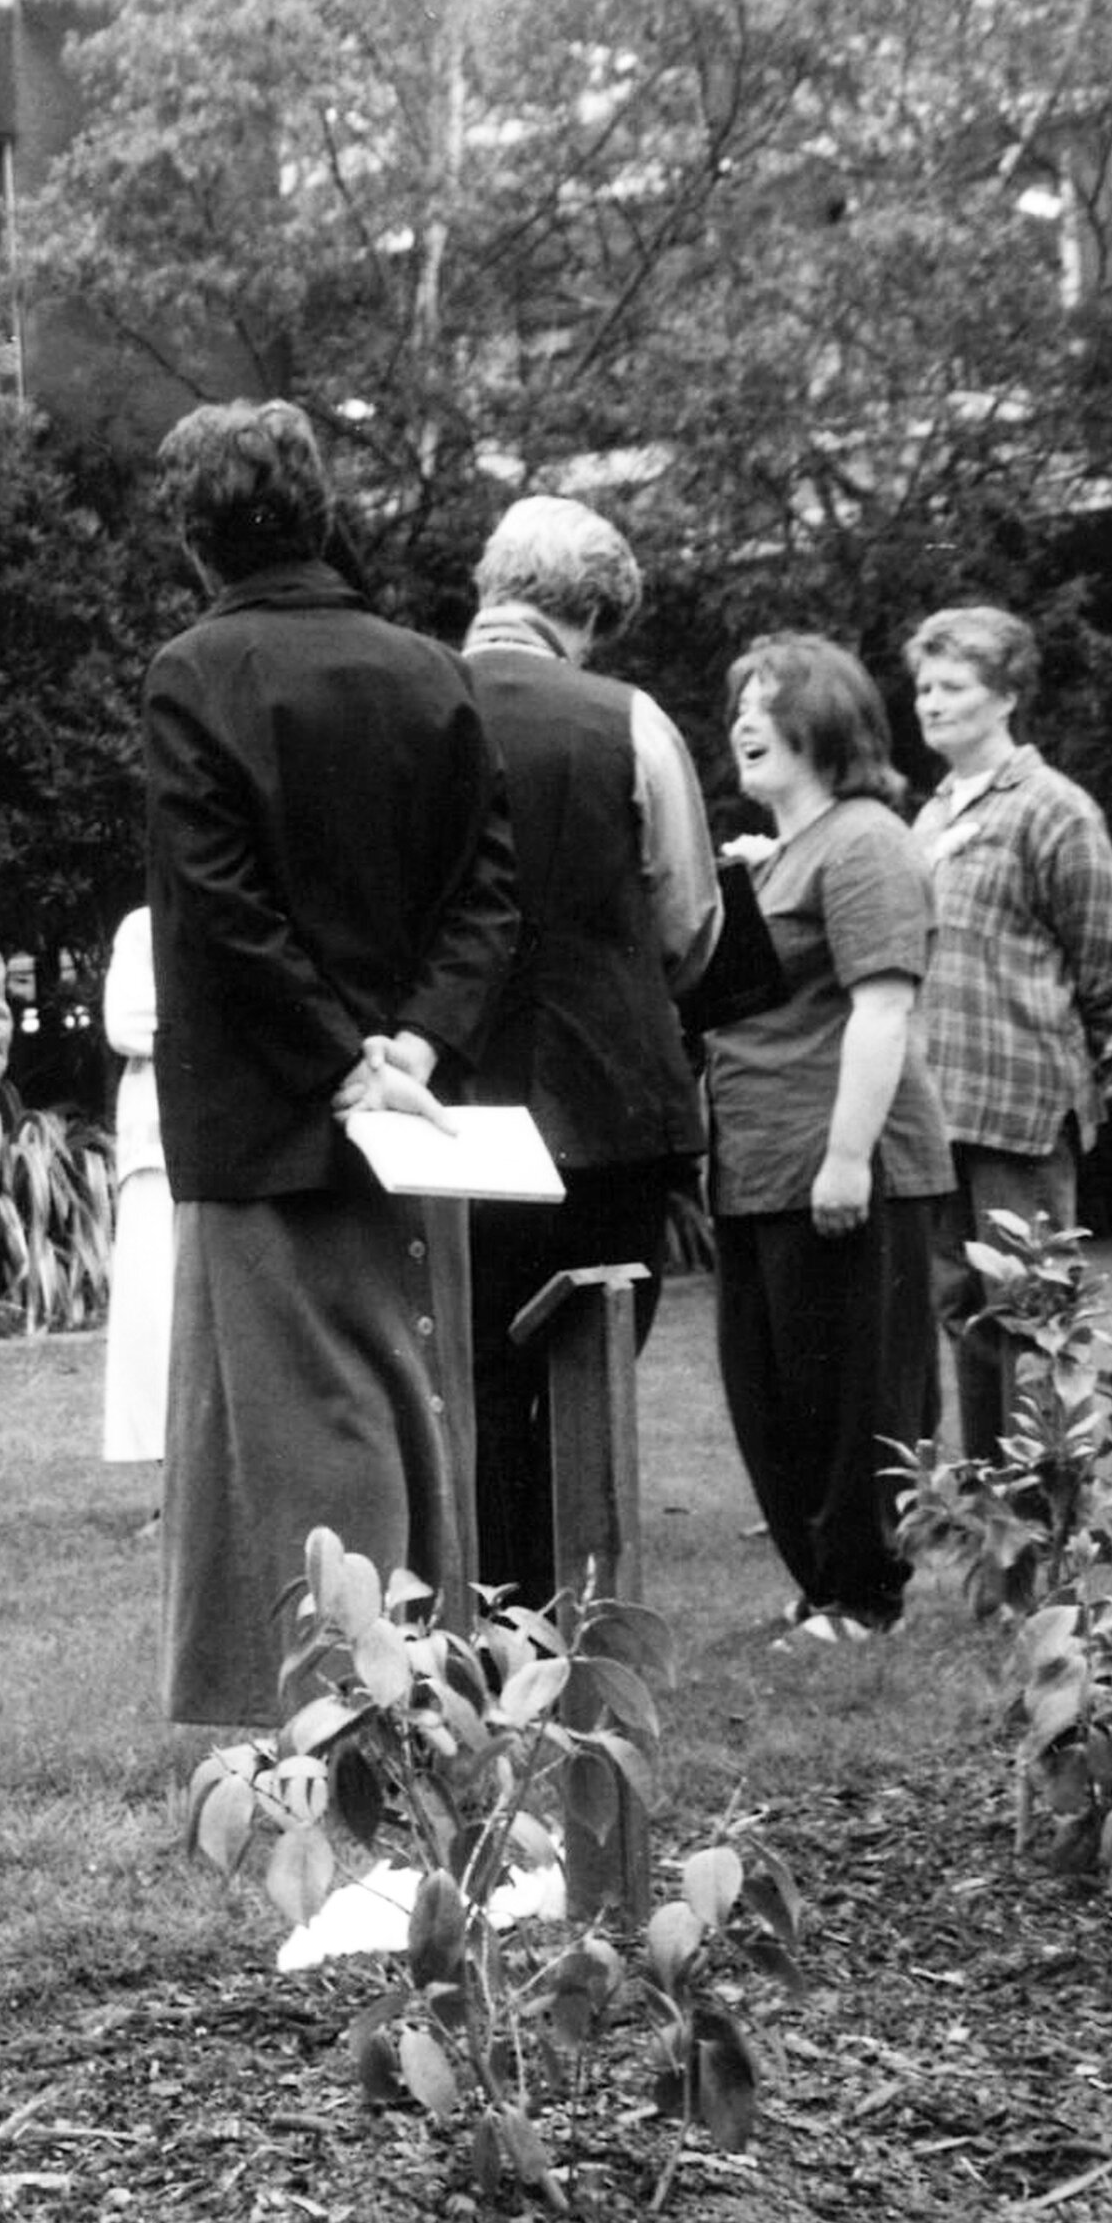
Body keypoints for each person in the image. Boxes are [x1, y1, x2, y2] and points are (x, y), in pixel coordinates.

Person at [141, 400, 522, 1732]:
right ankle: (431, 1720)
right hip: (417, 1112)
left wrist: (342, 1060)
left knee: (311, 1442)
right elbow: (490, 889)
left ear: (195, 532)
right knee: (416, 1414)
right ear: (321, 512)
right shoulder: (431, 668)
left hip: (276, 1124)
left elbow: (223, 905)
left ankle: (365, 1772)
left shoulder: (195, 673)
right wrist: (414, 1041)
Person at [453, 496, 720, 1604]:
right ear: (595, 613)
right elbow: (686, 917)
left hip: (446, 1112)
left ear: (490, 585)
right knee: (587, 1365)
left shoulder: (400, 706)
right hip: (606, 1107)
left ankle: (486, 1607)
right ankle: (585, 1614)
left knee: (466, 1377)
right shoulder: (628, 720)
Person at [709, 634, 955, 1644]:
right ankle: (820, 1586)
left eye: (767, 703)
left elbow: (882, 1009)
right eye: (737, 706)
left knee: (858, 1396)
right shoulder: (781, 852)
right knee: (773, 1395)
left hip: (840, 1163)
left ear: (829, 723)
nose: (743, 722)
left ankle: (864, 1594)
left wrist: (848, 1157)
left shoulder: (865, 840)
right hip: (758, 1168)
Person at [903, 605, 1112, 1460]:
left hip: (1023, 1107)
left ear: (1005, 696)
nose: (930, 702)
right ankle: (998, 1537)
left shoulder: (1054, 808)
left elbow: (1107, 964)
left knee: (1036, 1325)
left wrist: (1085, 1066)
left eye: (952, 686)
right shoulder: (927, 817)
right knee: (965, 1317)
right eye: (924, 686)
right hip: (938, 1111)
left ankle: (1057, 1539)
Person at [99, 906, 170, 1470]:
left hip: (243, 1138)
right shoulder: (143, 927)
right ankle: (168, 1476)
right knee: (155, 1310)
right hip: (157, 1140)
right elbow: (126, 1024)